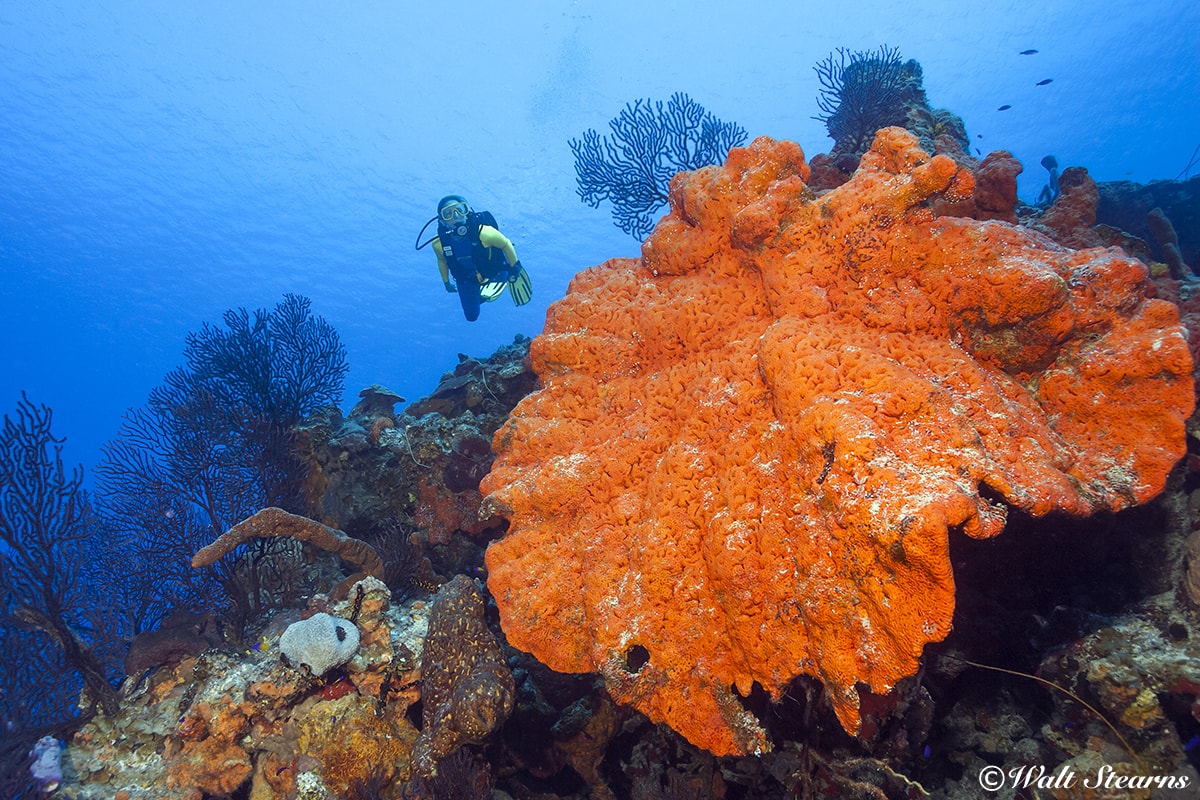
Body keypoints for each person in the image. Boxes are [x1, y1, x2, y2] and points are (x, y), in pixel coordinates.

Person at [429, 195, 532, 321]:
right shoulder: (438, 243)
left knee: (502, 274)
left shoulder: (484, 233)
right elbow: (442, 261)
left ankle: (503, 280)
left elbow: (506, 244)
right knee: (471, 317)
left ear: (467, 212)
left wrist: (515, 267)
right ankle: (480, 295)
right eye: (448, 214)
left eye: (460, 210)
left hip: (494, 270)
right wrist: (446, 283)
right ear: (442, 221)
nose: (456, 216)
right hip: (466, 278)